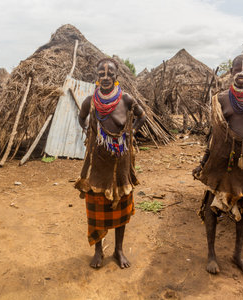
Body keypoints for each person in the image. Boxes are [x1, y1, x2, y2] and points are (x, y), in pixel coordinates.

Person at [193, 54, 243, 275]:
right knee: (213, 205)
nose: (242, 72)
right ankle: (211, 254)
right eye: (238, 69)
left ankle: (237, 255)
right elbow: (214, 135)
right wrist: (204, 161)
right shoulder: (221, 98)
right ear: (231, 71)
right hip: (222, 158)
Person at [75, 57, 146, 269]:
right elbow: (81, 118)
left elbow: (143, 116)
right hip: (98, 165)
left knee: (121, 209)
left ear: (116, 75)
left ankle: (119, 250)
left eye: (110, 73)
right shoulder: (90, 101)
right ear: (96, 76)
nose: (105, 77)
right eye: (101, 74)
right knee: (97, 210)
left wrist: (130, 133)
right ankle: (98, 250)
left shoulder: (126, 99)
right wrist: (89, 131)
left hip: (121, 165)